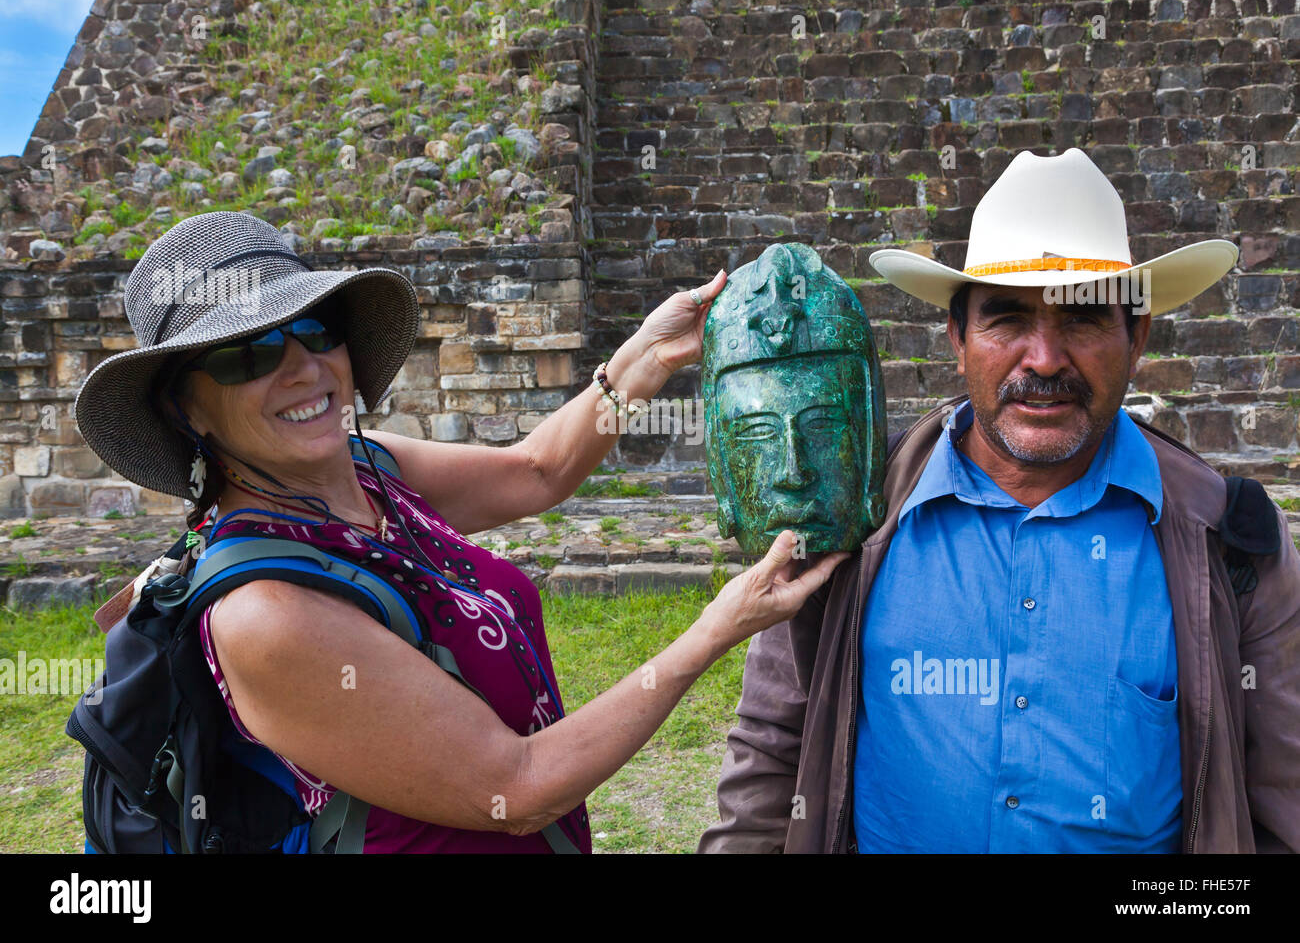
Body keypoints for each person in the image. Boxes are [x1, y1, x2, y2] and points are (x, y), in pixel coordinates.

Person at [73, 211, 846, 853]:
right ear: (185, 407)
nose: (303, 369)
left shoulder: (371, 468)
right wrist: (715, 632)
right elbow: (517, 787)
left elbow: (538, 471)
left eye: (315, 329)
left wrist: (645, 356)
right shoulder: (266, 613)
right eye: (251, 353)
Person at [699, 147, 1300, 853]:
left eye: (1080, 319)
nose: (1043, 359)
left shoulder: (1228, 538)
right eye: (1007, 319)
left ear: (1136, 336)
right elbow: (772, 753)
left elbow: (1283, 799)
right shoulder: (851, 512)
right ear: (957, 338)